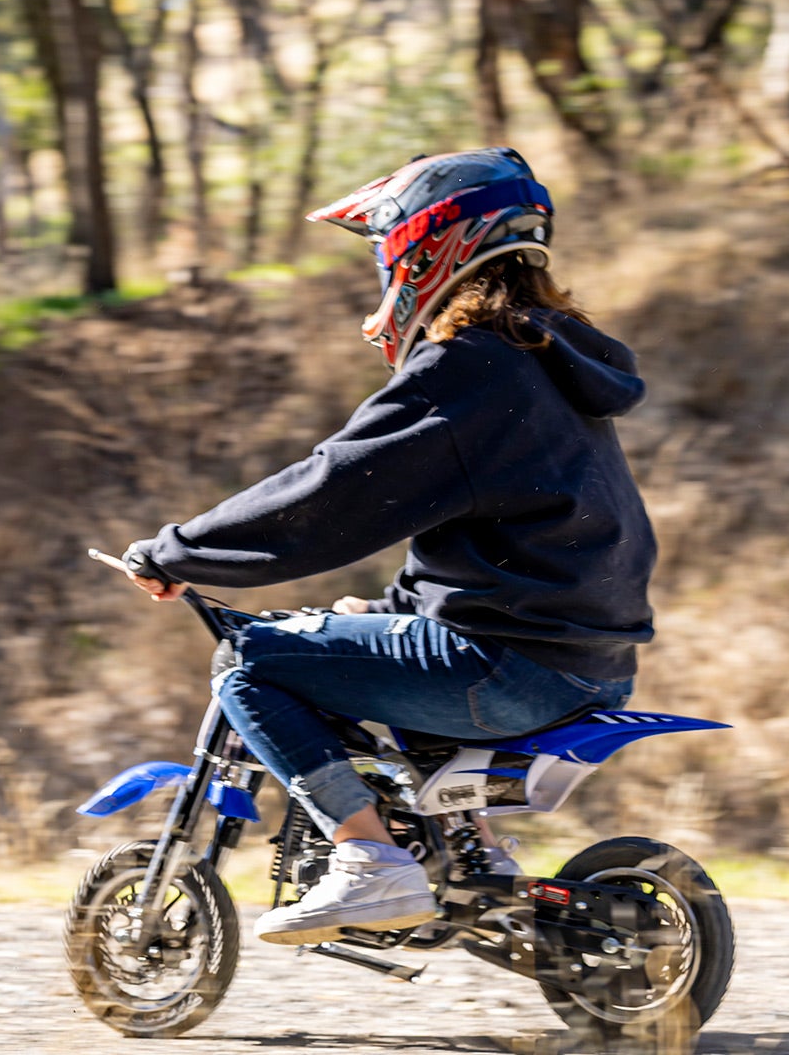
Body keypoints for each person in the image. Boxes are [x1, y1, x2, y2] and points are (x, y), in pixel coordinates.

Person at [120, 148, 654, 946]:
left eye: (383, 250)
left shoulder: (467, 368)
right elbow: (507, 534)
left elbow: (332, 492)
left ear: (426, 244)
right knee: (352, 654)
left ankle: (369, 856)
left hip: (504, 664)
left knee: (249, 660)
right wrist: (394, 609)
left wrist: (180, 551)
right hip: (590, 662)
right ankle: (468, 857)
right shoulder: (548, 368)